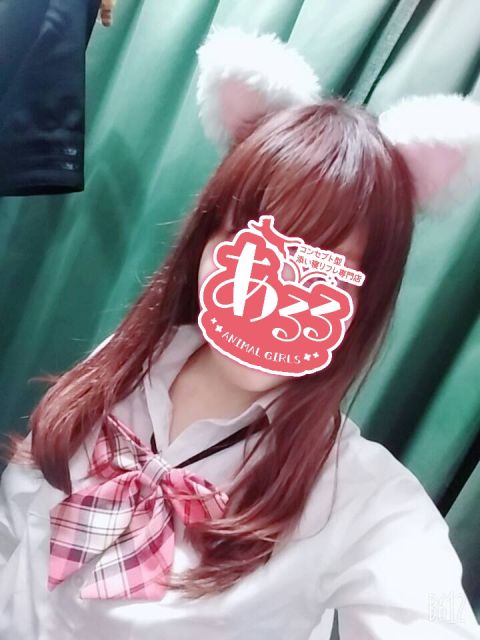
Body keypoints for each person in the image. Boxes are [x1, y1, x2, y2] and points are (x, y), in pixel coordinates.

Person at [1, 26, 480, 640]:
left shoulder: (362, 498)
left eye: (323, 271)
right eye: (259, 252)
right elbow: (15, 532)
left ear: (363, 300)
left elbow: (433, 614)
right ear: (207, 242)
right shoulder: (118, 365)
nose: (277, 292)